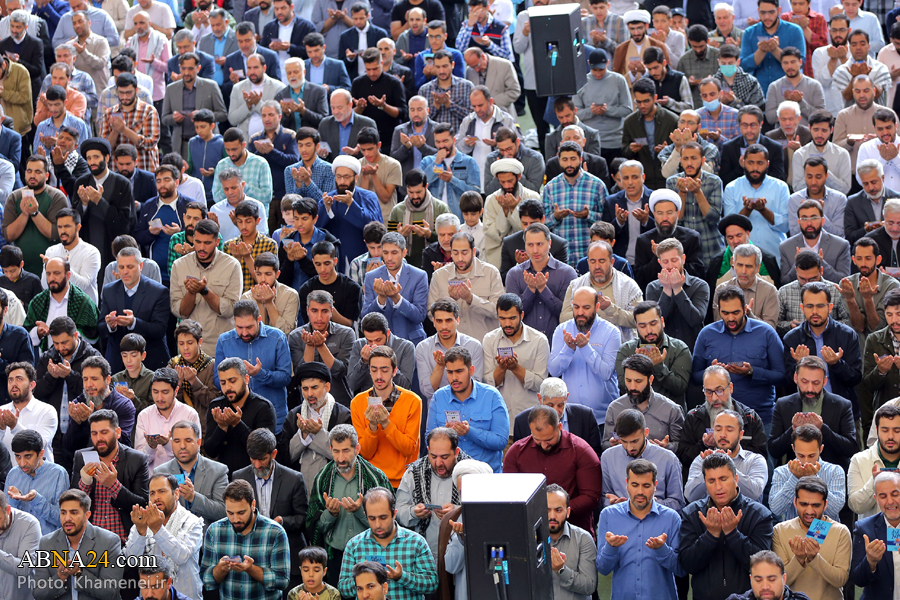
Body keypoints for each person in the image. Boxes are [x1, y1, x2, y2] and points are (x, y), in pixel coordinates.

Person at [678, 452, 775, 600]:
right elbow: (687, 565)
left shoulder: (760, 515)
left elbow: (761, 566)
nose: (718, 487)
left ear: (736, 479)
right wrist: (709, 536)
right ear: (705, 482)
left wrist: (733, 534)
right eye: (711, 481)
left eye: (723, 479)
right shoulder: (691, 514)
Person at [305, 424, 392, 585]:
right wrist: (330, 515)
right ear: (330, 448)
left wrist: (360, 512)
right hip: (335, 557)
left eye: (346, 451)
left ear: (357, 448)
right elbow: (313, 527)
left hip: (370, 556)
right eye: (336, 451)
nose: (340, 458)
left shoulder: (375, 478)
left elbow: (389, 524)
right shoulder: (322, 479)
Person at [232, 428, 308, 593]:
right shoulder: (239, 478)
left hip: (287, 559)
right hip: (251, 557)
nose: (257, 465)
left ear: (273, 453)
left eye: (262, 459)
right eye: (253, 459)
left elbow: (303, 518)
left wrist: (282, 521)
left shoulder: (293, 479)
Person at [596, 458, 683, 600]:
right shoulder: (608, 515)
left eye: (646, 486)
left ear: (655, 486)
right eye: (635, 485)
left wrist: (662, 550)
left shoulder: (672, 518)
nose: (640, 492)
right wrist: (611, 547)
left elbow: (681, 569)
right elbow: (603, 569)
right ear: (627, 484)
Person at [781, 284, 862, 425]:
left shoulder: (847, 335)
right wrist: (798, 366)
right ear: (802, 308)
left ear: (830, 307)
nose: (814, 311)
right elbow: (786, 384)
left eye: (820, 306)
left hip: (841, 412)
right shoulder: (791, 338)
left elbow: (856, 378)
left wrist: (836, 364)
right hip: (803, 414)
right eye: (809, 306)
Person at [338, 487, 438, 599]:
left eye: (383, 518)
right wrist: (362, 576)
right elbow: (343, 589)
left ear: (394, 514)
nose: (377, 524)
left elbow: (432, 584)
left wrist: (401, 577)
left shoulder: (416, 542)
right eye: (372, 518)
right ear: (366, 515)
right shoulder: (354, 545)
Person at [200, 479, 290, 600]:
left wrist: (251, 569)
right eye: (230, 513)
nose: (235, 519)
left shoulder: (275, 532)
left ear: (253, 505)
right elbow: (206, 580)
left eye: (241, 512)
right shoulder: (214, 531)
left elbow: (282, 581)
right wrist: (220, 570)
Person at [71, 408, 150, 543]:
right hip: (90, 540)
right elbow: (73, 504)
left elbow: (143, 504)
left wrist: (114, 486)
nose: (99, 438)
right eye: (94, 433)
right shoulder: (81, 457)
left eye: (104, 432)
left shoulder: (137, 459)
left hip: (124, 540)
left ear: (117, 432)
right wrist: (85, 482)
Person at [425, 346, 509, 472]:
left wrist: (469, 431)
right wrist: (443, 435)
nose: (454, 378)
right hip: (449, 476)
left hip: (486, 476)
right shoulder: (439, 397)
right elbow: (428, 440)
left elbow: (501, 441)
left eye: (459, 371)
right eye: (450, 372)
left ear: (471, 370)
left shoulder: (491, 395)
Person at [349, 345, 421, 488]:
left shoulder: (413, 401)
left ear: (394, 371)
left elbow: (409, 449)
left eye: (384, 370)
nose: (379, 376)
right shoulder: (357, 402)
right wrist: (372, 427)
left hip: (403, 482)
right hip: (371, 480)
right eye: (374, 370)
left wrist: (387, 424)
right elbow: (365, 453)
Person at [123, 473, 204, 600]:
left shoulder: (192, 521)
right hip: (150, 595)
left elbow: (181, 556)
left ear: (176, 494)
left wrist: (157, 530)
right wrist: (140, 531)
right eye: (152, 493)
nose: (156, 498)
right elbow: (132, 561)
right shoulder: (143, 520)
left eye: (162, 491)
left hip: (186, 594)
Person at [169, 218, 243, 355]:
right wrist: (191, 292)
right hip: (189, 348)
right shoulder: (179, 265)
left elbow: (231, 310)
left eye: (207, 243)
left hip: (221, 347)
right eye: (198, 242)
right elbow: (179, 311)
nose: (202, 247)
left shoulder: (232, 266)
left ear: (217, 242)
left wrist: (205, 291)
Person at [33, 489, 123, 600]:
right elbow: (38, 594)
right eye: (63, 512)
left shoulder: (109, 542)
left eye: (74, 512)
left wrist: (79, 573)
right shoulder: (46, 543)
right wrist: (60, 577)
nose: (67, 518)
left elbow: (111, 593)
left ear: (87, 515)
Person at [771, 476, 851, 600]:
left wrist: (814, 558)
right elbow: (779, 581)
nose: (809, 511)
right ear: (795, 502)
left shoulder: (840, 532)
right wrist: (799, 559)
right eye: (804, 504)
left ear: (825, 505)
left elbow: (840, 580)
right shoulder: (780, 531)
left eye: (816, 505)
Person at [395, 427, 466, 558]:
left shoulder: (471, 473)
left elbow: (483, 514)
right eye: (433, 456)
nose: (438, 463)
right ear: (428, 451)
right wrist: (413, 512)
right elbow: (398, 511)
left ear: (456, 452)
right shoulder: (413, 473)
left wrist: (457, 512)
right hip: (423, 556)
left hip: (461, 556)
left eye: (444, 457)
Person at [99, 247, 170, 374]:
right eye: (121, 267)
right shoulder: (109, 290)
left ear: (141, 266)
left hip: (150, 363)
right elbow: (100, 327)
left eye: (130, 267)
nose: (125, 272)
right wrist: (110, 326)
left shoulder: (158, 292)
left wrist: (134, 323)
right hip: (117, 363)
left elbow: (160, 330)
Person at [427, 231, 504, 342]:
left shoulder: (491, 273)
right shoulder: (439, 276)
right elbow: (431, 314)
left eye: (464, 253)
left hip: (484, 344)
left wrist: (470, 299)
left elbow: (499, 312)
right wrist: (450, 301)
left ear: (473, 252)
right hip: (452, 345)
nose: (460, 258)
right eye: (455, 253)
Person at [723, 143, 791, 265]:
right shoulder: (732, 188)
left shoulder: (781, 187)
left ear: (767, 164)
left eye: (760, 163)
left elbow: (786, 226)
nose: (755, 168)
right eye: (750, 163)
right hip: (743, 260)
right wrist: (747, 209)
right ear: (743, 162)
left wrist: (763, 210)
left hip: (775, 256)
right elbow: (730, 228)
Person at [154, 419, 229, 530]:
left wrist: (193, 498)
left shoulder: (218, 471)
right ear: (171, 444)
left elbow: (224, 511)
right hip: (172, 541)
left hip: (207, 541)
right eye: (177, 441)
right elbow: (156, 512)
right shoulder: (160, 473)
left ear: (199, 443)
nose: (182, 446)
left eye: (188, 440)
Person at [541, 142, 607, 267]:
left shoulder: (597, 185)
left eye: (573, 159)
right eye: (565, 159)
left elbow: (607, 222)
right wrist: (555, 217)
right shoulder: (550, 187)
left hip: (591, 256)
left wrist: (589, 215)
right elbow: (542, 223)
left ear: (581, 159)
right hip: (560, 257)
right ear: (559, 160)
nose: (569, 164)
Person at [2, 155, 68, 275]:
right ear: (25, 174)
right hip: (20, 270)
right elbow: (8, 235)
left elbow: (54, 234)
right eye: (29, 171)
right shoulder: (14, 197)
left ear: (47, 176)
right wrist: (25, 214)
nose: (32, 175)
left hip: (51, 268)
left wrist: (35, 213)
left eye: (38, 172)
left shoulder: (57, 197)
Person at [288, 289, 356, 407]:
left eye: (324, 311)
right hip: (309, 404)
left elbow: (340, 371)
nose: (319, 317)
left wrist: (321, 346)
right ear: (307, 310)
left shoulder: (346, 334)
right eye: (314, 311)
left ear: (331, 312)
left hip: (340, 404)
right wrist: (310, 345)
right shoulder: (296, 336)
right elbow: (302, 374)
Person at [769, 421, 846, 521]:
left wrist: (814, 477)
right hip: (793, 532)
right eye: (801, 455)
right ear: (793, 448)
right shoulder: (781, 472)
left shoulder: (835, 471)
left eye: (811, 456)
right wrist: (795, 478)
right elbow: (776, 509)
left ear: (821, 449)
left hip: (826, 532)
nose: (806, 461)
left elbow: (834, 510)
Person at [633, 188, 707, 292]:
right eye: (660, 213)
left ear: (677, 213)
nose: (664, 218)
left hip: (687, 293)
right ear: (653, 214)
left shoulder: (692, 237)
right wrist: (657, 258)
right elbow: (640, 279)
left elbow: (699, 273)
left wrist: (676, 257)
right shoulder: (644, 240)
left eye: (669, 213)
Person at [362, 232, 429, 345]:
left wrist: (396, 298)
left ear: (404, 252)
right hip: (381, 344)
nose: (389, 258)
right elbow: (365, 318)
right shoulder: (371, 276)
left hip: (412, 342)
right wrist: (381, 299)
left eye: (394, 253)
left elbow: (419, 316)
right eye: (385, 253)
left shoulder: (419, 275)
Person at [134, 367, 202, 470]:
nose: (159, 398)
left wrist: (167, 444)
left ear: (176, 391)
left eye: (165, 392)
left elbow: (194, 455)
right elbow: (139, 461)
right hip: (153, 481)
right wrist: (151, 447)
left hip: (182, 480)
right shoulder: (144, 415)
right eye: (155, 392)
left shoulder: (189, 414)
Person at [25, 257, 100, 350]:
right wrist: (38, 332)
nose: (52, 278)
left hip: (77, 360)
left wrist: (71, 335)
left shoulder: (83, 302)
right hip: (46, 360)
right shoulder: (37, 302)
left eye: (56, 273)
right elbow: (26, 336)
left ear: (68, 275)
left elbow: (94, 337)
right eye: (48, 274)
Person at [4, 429, 68, 535]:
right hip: (20, 543)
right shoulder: (13, 474)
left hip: (49, 544)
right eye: (18, 456)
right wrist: (15, 500)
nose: (22, 463)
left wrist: (36, 499)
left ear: (40, 453)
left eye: (28, 456)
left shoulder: (58, 474)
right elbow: (6, 519)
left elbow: (62, 519)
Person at [620, 78, 679, 190]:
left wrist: (667, 150)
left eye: (646, 101)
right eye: (638, 102)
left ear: (655, 98)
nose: (642, 105)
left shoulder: (672, 120)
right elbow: (624, 152)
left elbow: (680, 150)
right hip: (643, 181)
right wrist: (631, 149)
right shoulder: (630, 122)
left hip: (667, 177)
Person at [166, 320, 218, 439]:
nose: (185, 348)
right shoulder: (173, 364)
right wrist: (178, 384)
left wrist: (194, 382)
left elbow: (213, 401)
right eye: (181, 343)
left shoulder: (211, 365)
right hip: (178, 426)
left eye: (189, 343)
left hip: (205, 428)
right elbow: (167, 402)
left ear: (199, 342)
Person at [0, 360, 57, 464]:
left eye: (19, 379)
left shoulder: (47, 410)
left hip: (40, 477)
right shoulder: (1, 411)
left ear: (32, 385)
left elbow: (40, 445)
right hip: (8, 477)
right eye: (10, 380)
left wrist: (15, 426)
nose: (14, 384)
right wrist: (1, 429)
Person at [792, 111, 852, 196]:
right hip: (807, 204)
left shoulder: (842, 154)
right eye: (816, 130)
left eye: (824, 130)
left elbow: (845, 189)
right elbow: (797, 189)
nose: (819, 135)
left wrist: (824, 172)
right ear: (809, 128)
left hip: (834, 204)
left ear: (831, 130)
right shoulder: (799, 155)